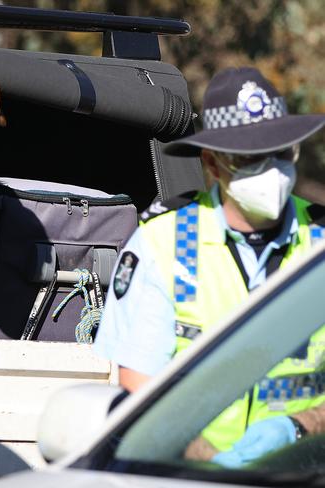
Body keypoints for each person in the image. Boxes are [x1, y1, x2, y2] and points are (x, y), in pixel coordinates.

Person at [93, 67, 325, 467]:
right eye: (250, 157)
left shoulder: (319, 242)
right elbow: (139, 389)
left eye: (282, 151)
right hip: (189, 472)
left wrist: (299, 427)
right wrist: (214, 466)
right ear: (212, 164)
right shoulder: (161, 244)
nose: (271, 169)